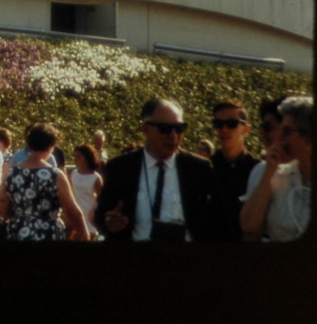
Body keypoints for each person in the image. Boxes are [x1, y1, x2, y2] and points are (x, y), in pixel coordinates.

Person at [94, 98, 228, 241]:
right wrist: (109, 222)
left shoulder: (199, 169)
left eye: (179, 128)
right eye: (165, 129)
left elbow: (218, 220)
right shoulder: (121, 168)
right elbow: (101, 216)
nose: (173, 136)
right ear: (146, 129)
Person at [0, 123, 90, 241]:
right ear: (51, 146)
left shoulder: (11, 173)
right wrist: (84, 235)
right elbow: (72, 212)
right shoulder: (55, 175)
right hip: (48, 234)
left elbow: (0, 207)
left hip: (18, 233)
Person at [240, 95, 313, 241]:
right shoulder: (272, 173)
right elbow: (249, 228)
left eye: (286, 131)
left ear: (307, 137)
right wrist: (269, 172)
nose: (280, 139)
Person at [208, 98, 260, 240]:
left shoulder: (258, 170)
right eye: (219, 124)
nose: (224, 129)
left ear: (246, 129)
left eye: (232, 124)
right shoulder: (206, 168)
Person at [69, 144, 103, 239]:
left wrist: (95, 214)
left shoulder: (95, 178)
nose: (75, 159)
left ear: (87, 158)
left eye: (79, 157)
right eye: (75, 156)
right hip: (76, 215)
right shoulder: (73, 173)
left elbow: (101, 199)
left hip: (89, 215)